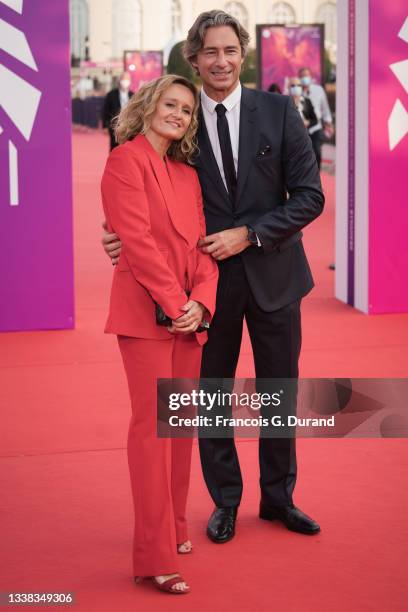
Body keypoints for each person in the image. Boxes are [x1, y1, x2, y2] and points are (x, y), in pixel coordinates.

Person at [102, 10, 324, 546]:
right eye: (209, 52)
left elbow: (310, 196)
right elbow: (143, 188)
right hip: (204, 287)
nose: (220, 61)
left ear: (241, 53)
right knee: (211, 397)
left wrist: (250, 234)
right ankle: (225, 500)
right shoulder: (180, 121)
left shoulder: (278, 110)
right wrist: (118, 236)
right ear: (194, 58)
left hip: (274, 275)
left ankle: (279, 498)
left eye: (229, 50)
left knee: (277, 392)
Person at [101, 74, 218, 594]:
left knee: (179, 428)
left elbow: (200, 249)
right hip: (145, 317)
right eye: (170, 104)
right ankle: (153, 556)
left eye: (187, 110)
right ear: (148, 105)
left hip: (187, 317)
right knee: (152, 432)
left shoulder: (187, 175)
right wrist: (176, 305)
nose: (178, 114)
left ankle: (173, 526)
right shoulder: (124, 161)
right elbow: (138, 243)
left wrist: (201, 303)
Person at [298, 67, 334, 169]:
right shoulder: (297, 91)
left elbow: (325, 108)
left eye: (306, 75)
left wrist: (328, 123)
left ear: (310, 77)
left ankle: (316, 175)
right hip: (301, 129)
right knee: (302, 155)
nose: (305, 78)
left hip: (316, 127)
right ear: (299, 78)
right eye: (302, 76)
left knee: (317, 151)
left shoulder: (318, 90)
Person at [102, 71, 134, 151]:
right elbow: (105, 110)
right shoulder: (111, 95)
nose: (125, 81)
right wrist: (105, 126)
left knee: (128, 147)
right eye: (123, 79)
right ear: (119, 80)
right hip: (115, 125)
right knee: (114, 147)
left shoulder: (133, 95)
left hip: (129, 126)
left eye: (127, 79)